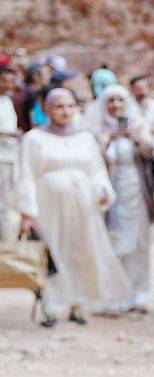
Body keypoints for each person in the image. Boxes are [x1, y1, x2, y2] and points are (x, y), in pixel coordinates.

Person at [17, 89, 131, 326]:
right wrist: (28, 212)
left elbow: (96, 170)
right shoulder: (34, 139)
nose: (66, 111)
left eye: (70, 106)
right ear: (47, 109)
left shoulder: (85, 138)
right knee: (52, 253)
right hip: (49, 206)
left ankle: (77, 304)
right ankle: (50, 305)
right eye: (59, 107)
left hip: (82, 206)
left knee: (80, 251)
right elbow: (27, 175)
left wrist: (103, 192)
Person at [84, 84, 154, 314]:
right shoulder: (95, 129)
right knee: (114, 243)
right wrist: (106, 139)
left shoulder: (138, 123)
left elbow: (151, 152)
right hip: (109, 195)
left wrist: (137, 138)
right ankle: (116, 294)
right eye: (111, 101)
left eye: (120, 100)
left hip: (136, 192)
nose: (116, 105)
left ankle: (139, 293)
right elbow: (89, 159)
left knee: (138, 244)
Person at [0, 65, 21, 241]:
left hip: (9, 158)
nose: (8, 85)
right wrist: (11, 134)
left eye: (11, 81)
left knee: (7, 203)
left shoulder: (7, 100)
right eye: (4, 81)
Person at [129, 75, 154, 154]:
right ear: (132, 89)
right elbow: (122, 127)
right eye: (138, 88)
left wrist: (144, 132)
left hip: (153, 145)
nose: (142, 91)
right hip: (131, 145)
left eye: (144, 87)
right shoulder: (125, 106)